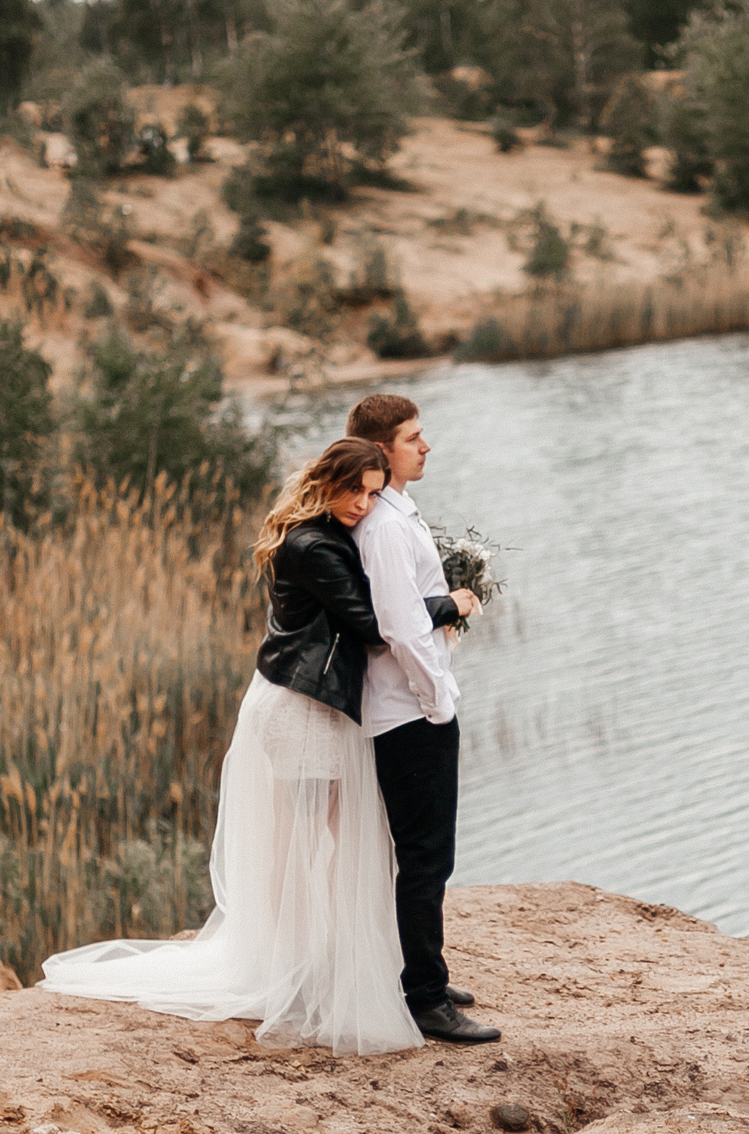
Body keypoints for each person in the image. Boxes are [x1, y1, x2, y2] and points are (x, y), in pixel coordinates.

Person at [36, 438, 464, 1055]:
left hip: (317, 704)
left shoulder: (321, 532)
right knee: (303, 845)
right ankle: (288, 973)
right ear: (327, 483)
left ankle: (323, 966)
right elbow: (371, 622)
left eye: (374, 493)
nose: (366, 505)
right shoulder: (311, 544)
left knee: (331, 842)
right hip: (301, 708)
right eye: (357, 491)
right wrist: (449, 602)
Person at [344, 393, 499, 1044]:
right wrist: (438, 701)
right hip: (409, 713)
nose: (425, 445)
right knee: (426, 856)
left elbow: (414, 609)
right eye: (414, 437)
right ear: (382, 450)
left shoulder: (396, 511)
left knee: (431, 854)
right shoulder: (380, 525)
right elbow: (401, 630)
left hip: (417, 706)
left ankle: (422, 969)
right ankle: (426, 999)